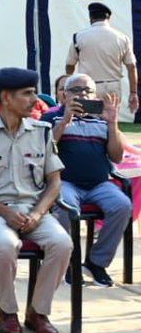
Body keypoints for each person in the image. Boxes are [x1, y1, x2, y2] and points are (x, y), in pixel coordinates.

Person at [0, 67, 72, 333]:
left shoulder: (42, 131)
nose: (35, 99)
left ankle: (38, 312)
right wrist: (6, 213)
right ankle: (7, 311)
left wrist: (37, 212)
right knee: (7, 245)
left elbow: (54, 182)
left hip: (34, 212)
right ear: (7, 98)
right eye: (28, 93)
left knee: (62, 243)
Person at [42, 75, 131, 287]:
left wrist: (113, 124)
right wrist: (65, 121)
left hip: (99, 184)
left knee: (122, 205)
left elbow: (117, 157)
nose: (82, 94)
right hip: (64, 182)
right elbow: (43, 151)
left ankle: (96, 263)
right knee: (66, 206)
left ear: (95, 95)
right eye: (76, 90)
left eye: (87, 91)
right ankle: (69, 263)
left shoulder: (102, 119)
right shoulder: (51, 117)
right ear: (65, 95)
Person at [67, 1, 139, 114]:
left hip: (87, 87)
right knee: (110, 123)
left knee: (88, 122)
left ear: (91, 17)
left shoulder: (79, 37)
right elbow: (132, 67)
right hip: (112, 86)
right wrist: (133, 92)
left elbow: (70, 65)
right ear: (108, 18)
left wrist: (69, 86)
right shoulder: (122, 38)